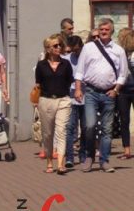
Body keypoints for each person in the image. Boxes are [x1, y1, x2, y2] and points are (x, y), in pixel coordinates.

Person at [74, 18, 128, 173]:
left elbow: (123, 74)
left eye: (106, 29)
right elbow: (80, 70)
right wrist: (78, 89)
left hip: (109, 93)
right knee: (89, 125)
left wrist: (116, 90)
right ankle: (89, 156)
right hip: (91, 92)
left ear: (112, 31)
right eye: (101, 29)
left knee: (107, 129)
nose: (103, 32)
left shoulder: (118, 50)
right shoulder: (89, 48)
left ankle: (104, 160)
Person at [33, 34, 73, 175]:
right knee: (48, 133)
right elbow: (38, 84)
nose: (58, 48)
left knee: (61, 131)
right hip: (46, 100)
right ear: (48, 49)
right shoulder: (41, 65)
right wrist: (35, 102)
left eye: (60, 45)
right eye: (55, 46)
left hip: (63, 100)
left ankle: (61, 164)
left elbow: (69, 81)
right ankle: (50, 161)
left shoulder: (66, 64)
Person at [63, 35, 85, 167]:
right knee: (70, 127)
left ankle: (83, 156)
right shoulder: (66, 59)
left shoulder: (87, 58)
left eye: (77, 49)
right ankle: (69, 157)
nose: (75, 52)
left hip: (86, 97)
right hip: (70, 97)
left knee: (86, 128)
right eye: (73, 50)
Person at [116, 29, 134, 161]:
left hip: (129, 88)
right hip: (123, 90)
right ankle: (126, 149)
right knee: (124, 120)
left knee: (124, 120)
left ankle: (127, 149)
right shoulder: (118, 52)